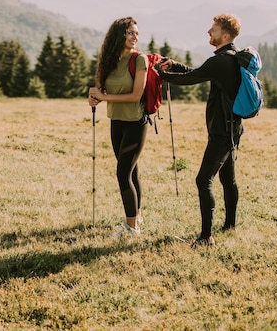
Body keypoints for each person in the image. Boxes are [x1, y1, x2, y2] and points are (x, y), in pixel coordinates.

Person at [155, 13, 244, 248]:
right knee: (227, 178)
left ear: (225, 35)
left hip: (222, 131)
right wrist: (174, 65)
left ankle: (206, 237)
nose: (208, 32)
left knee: (203, 180)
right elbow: (198, 72)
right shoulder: (231, 58)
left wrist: (161, 74)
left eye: (213, 29)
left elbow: (190, 79)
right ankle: (230, 225)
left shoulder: (221, 61)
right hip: (233, 127)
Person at [89, 17, 149, 237]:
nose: (135, 37)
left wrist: (106, 98)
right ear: (119, 35)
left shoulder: (139, 60)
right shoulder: (109, 60)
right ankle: (138, 215)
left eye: (137, 33)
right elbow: (103, 89)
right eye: (130, 33)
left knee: (123, 173)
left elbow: (135, 96)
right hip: (116, 121)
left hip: (136, 122)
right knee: (131, 171)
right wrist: (95, 97)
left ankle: (132, 228)